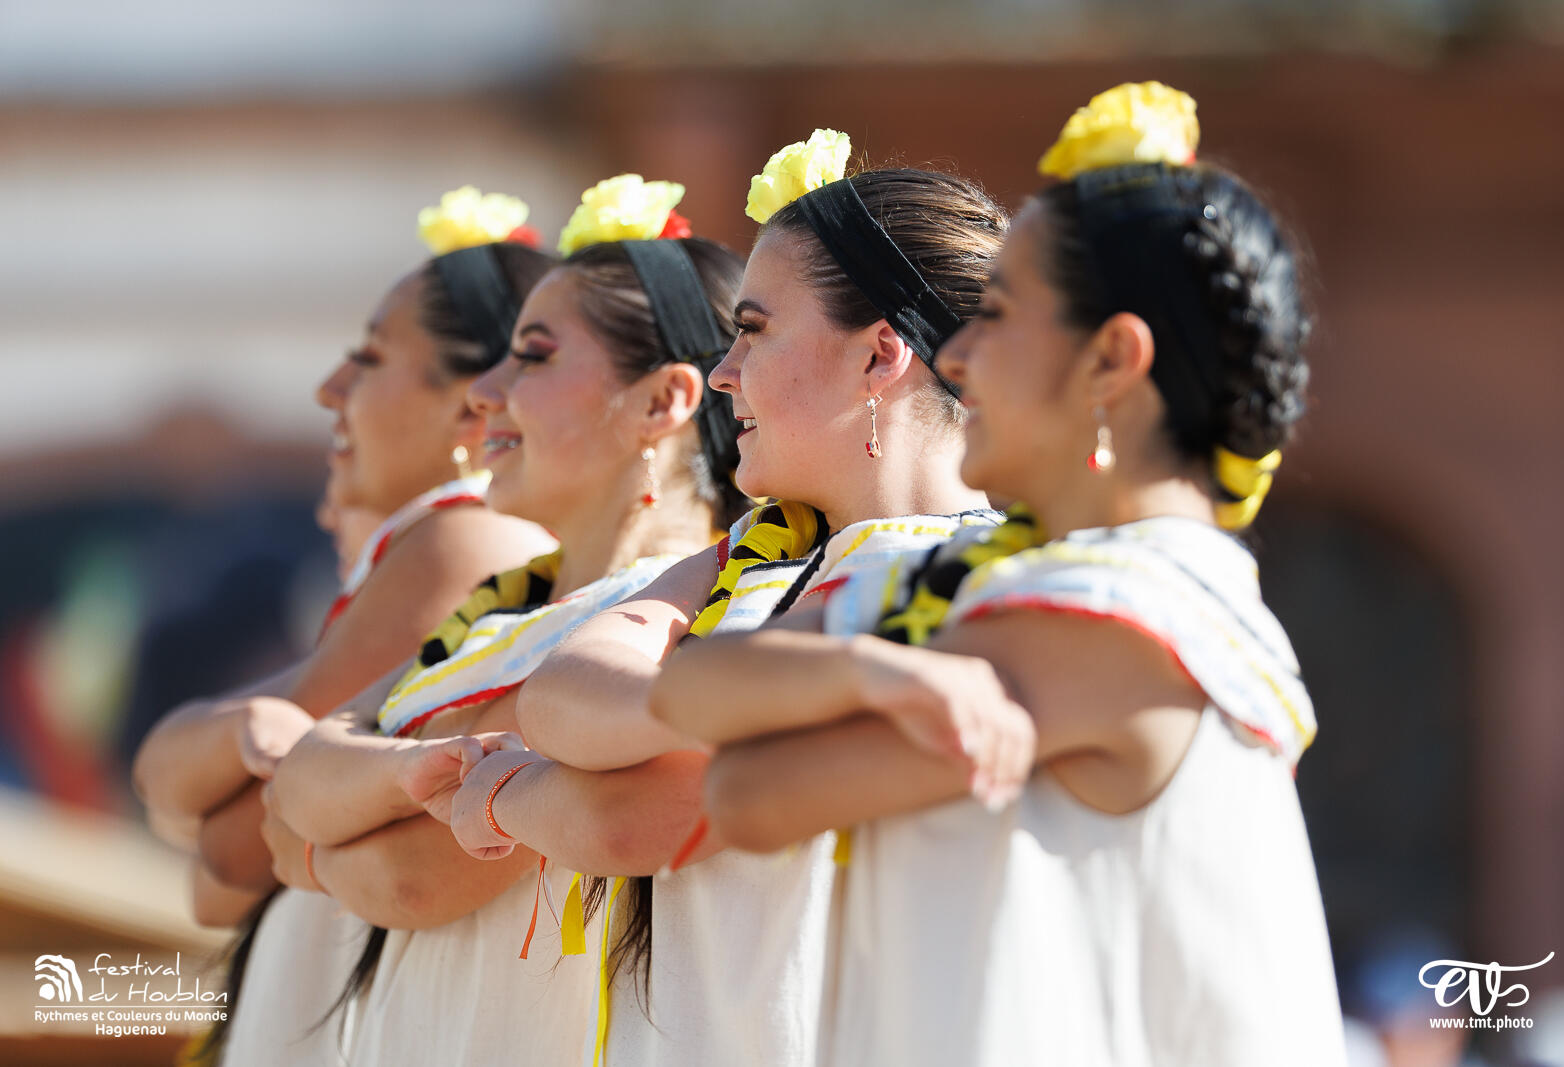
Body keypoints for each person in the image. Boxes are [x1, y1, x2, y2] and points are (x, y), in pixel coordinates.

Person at [653, 83, 1347, 1066]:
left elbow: (750, 791)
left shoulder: (1122, 610)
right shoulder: (996, 575)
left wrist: (840, 670)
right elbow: (689, 683)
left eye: (1003, 314)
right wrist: (873, 674)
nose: (962, 353)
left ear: (1110, 359)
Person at [420, 131, 1009, 1066]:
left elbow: (628, 818)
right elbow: (567, 690)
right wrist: (738, 701)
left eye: (755, 329)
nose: (726, 372)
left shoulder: (988, 582)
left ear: (879, 357)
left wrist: (510, 795)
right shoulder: (759, 555)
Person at [266, 174, 748, 1067]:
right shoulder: (501, 613)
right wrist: (412, 772)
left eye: (531, 354)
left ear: (662, 402)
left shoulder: (671, 616)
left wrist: (330, 826)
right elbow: (292, 785)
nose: (485, 390)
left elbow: (413, 874)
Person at [134, 185, 557, 1065]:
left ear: (469, 409)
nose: (330, 389)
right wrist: (234, 745)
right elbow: (210, 827)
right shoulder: (434, 544)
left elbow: (230, 847)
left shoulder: (465, 539)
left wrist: (225, 749)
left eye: (367, 358)